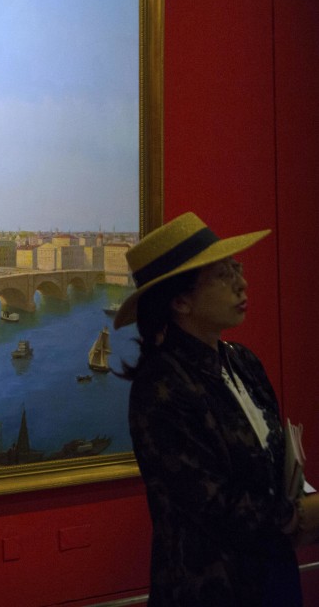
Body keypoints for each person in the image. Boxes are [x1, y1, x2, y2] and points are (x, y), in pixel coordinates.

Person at [115, 212, 319, 606]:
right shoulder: (160, 387)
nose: (242, 283)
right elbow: (213, 505)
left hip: (271, 572)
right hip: (211, 588)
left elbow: (273, 466)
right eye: (223, 276)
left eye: (236, 268)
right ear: (181, 302)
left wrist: (300, 497)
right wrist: (301, 516)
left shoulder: (242, 361)